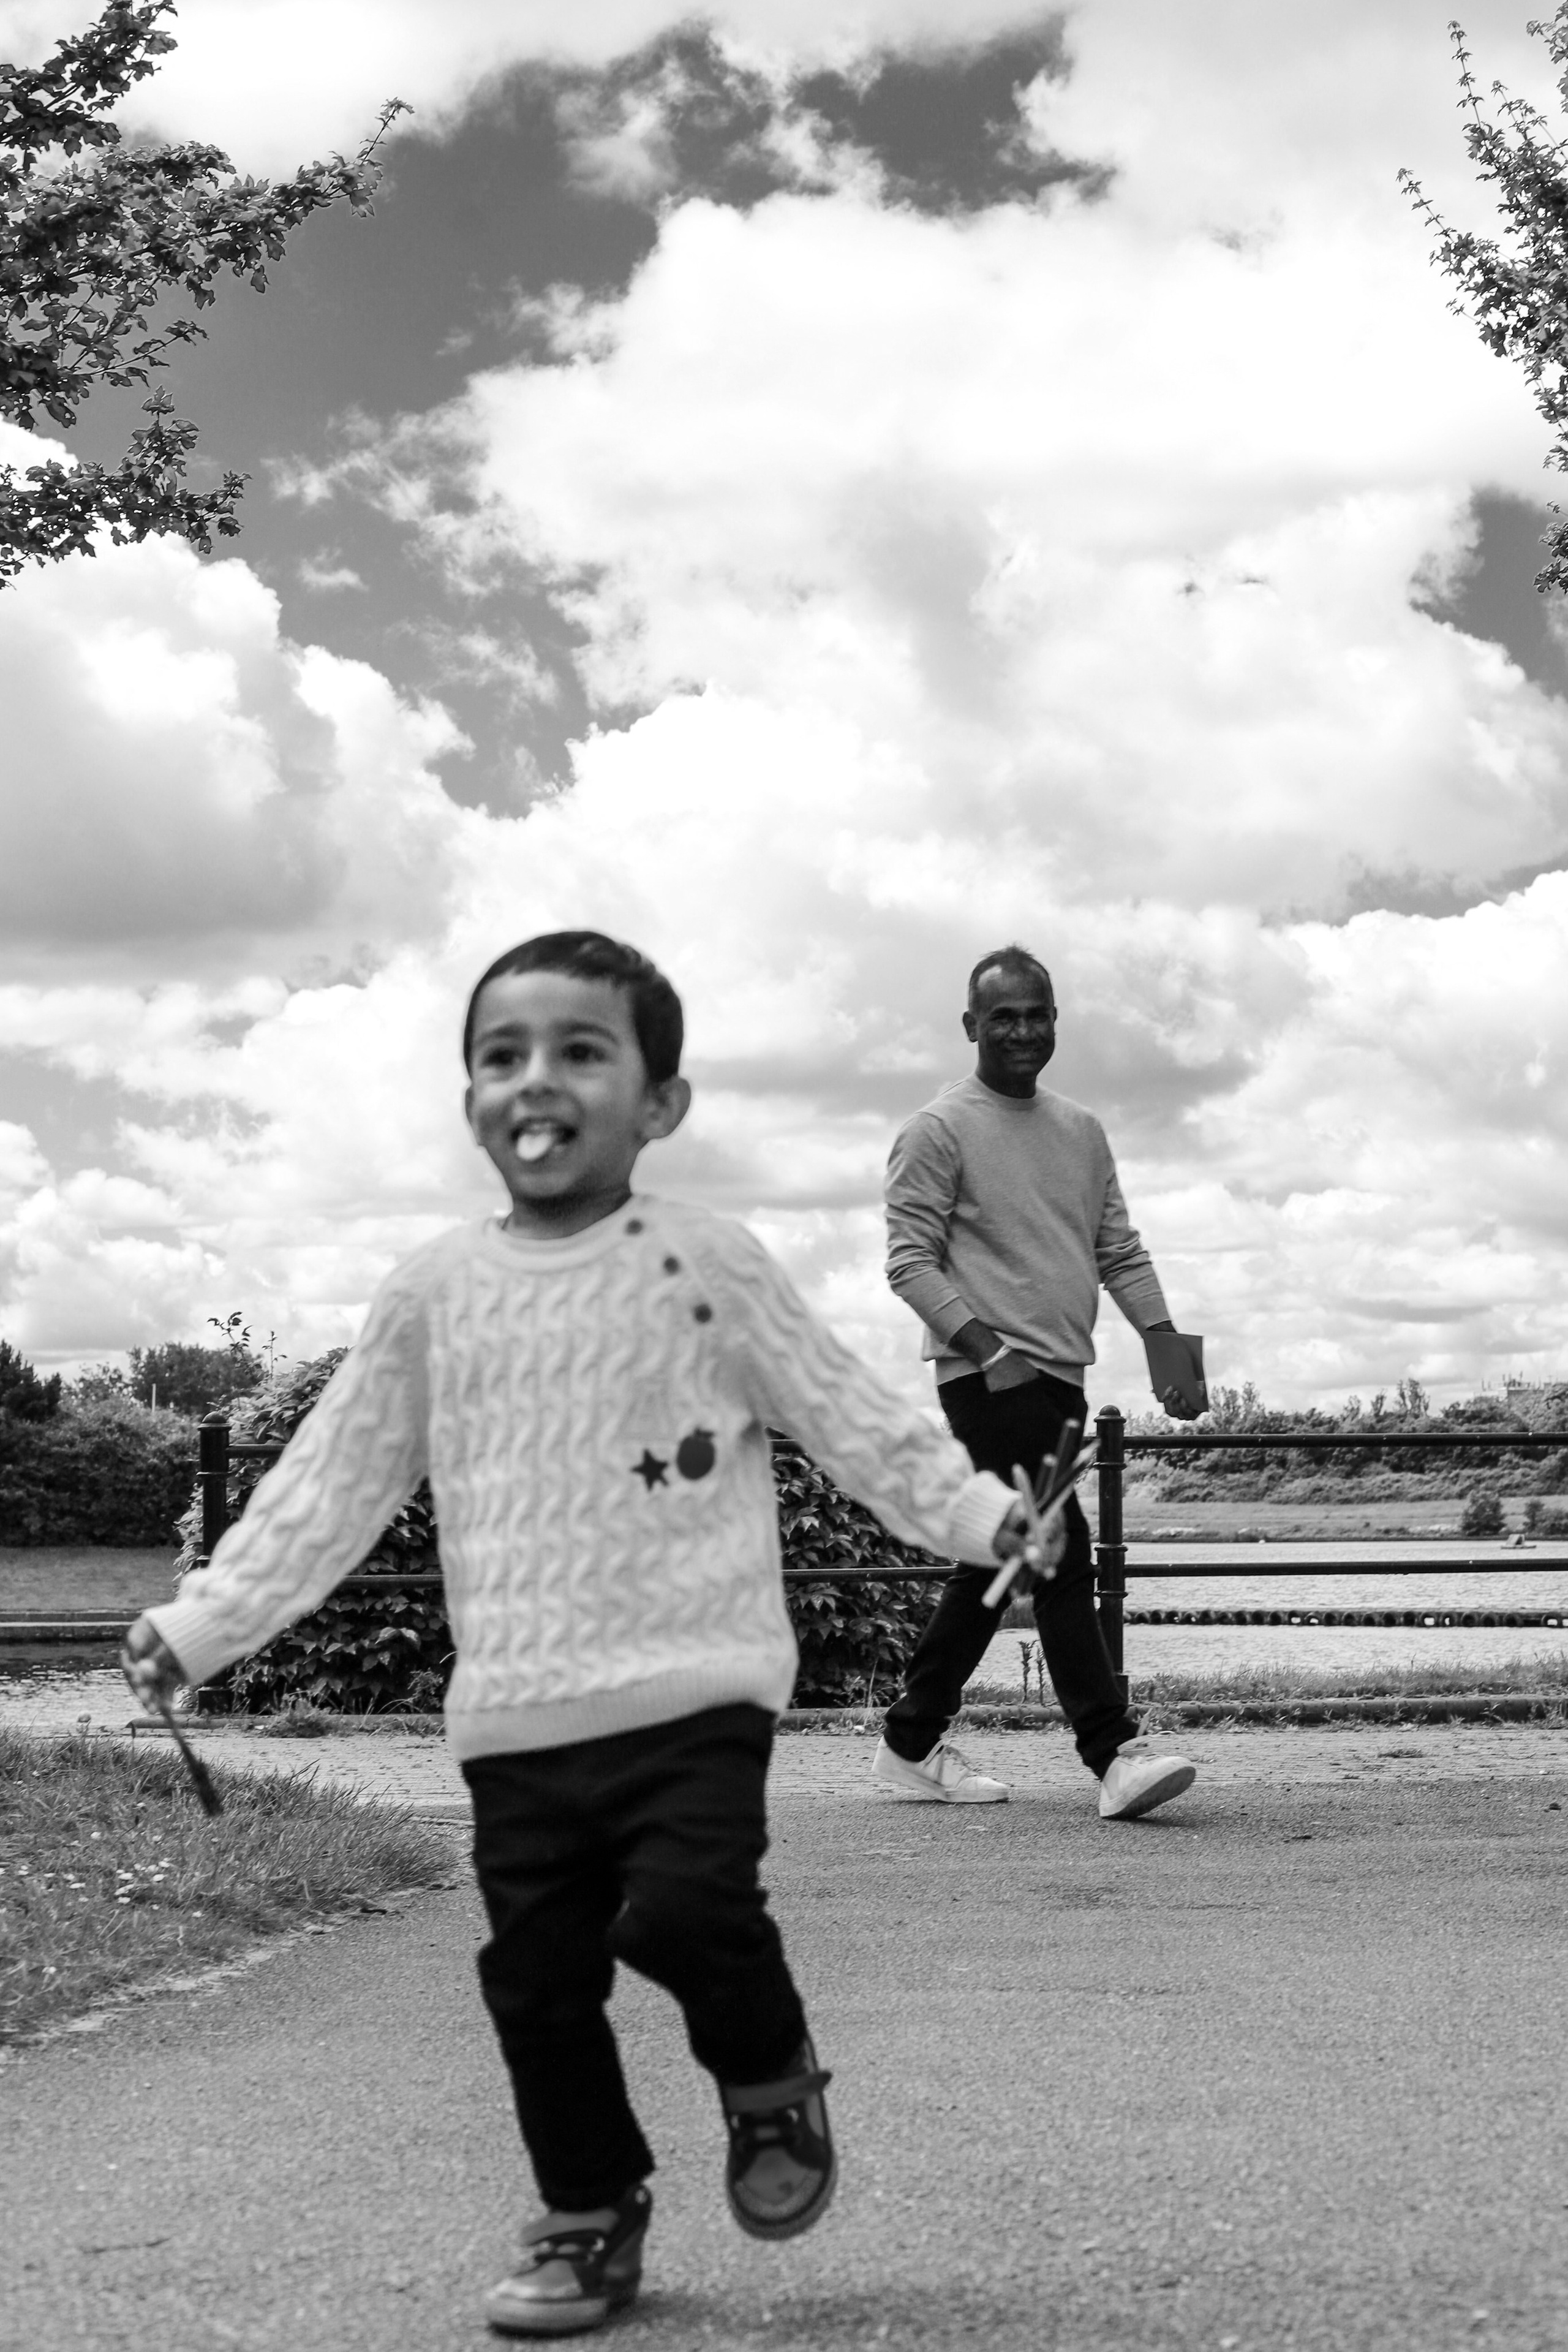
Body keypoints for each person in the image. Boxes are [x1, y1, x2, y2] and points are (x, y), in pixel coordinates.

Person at [121, 929, 1051, 2341]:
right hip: (517, 1713)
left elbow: (851, 1418)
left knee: (682, 1914)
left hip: (698, 1685)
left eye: (578, 1050)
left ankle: (765, 2070)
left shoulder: (708, 1261)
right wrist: (201, 1622)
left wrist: (985, 1519)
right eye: (502, 1055)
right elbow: (329, 1486)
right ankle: (588, 2207)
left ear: (658, 1103)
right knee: (535, 1978)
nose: (534, 1079)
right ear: (470, 1102)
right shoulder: (432, 1294)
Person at [872, 944, 1200, 1821]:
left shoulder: (1081, 1131)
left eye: (1038, 1013)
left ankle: (909, 1743)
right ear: (972, 1027)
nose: (1023, 1030)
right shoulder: (938, 1130)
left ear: (1056, 1020)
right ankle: (1113, 1752)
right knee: (1060, 1551)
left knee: (999, 1557)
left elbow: (1116, 1248)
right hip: (988, 1377)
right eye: (1004, 1016)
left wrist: (1162, 1339)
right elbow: (908, 1263)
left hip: (1058, 1377)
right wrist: (988, 1348)